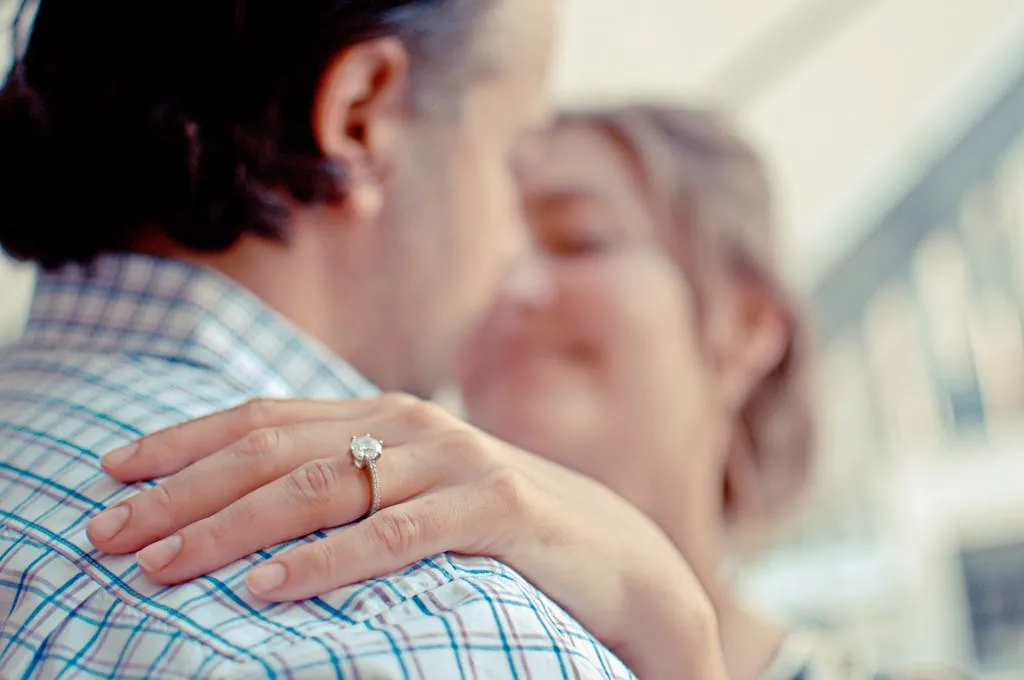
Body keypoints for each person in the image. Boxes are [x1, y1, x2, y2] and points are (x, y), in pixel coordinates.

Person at [0, 3, 727, 678]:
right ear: (359, 118)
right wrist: (681, 639)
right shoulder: (450, 631)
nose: (512, 260)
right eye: (512, 160)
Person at [85, 105, 841, 680]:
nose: (512, 284)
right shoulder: (398, 621)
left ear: (746, 323)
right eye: (499, 247)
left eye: (579, 239)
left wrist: (675, 631)